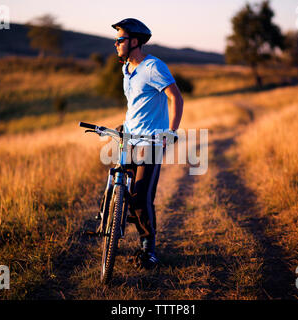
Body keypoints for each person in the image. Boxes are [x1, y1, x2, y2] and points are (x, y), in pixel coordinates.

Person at [112, 18, 183, 269]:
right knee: (125, 192)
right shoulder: (126, 69)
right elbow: (135, 104)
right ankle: (113, 235)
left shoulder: (154, 67)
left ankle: (148, 248)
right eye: (116, 40)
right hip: (129, 139)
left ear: (134, 42)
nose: (116, 44)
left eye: (120, 40)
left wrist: (171, 133)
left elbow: (175, 97)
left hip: (152, 141)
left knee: (142, 197)